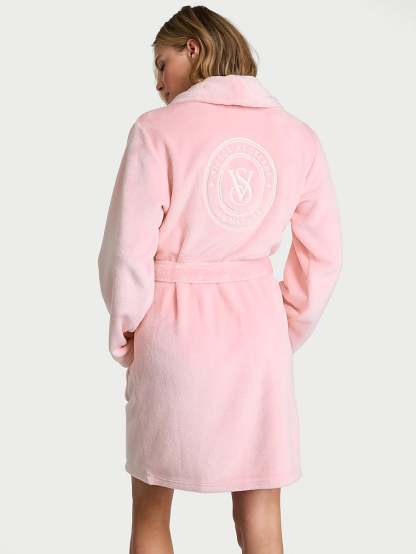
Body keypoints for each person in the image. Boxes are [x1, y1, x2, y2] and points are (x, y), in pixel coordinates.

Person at [97, 5, 343, 554]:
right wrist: (283, 329)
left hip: (171, 332)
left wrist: (125, 329)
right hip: (257, 338)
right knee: (261, 506)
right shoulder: (298, 136)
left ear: (194, 49)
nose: (158, 82)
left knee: (151, 506)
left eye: (162, 64)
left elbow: (127, 251)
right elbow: (324, 255)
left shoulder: (155, 131)